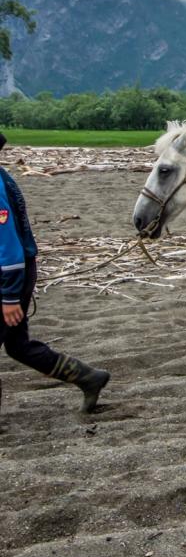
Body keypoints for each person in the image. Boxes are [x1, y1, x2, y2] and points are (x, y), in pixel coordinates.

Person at [0, 132, 110, 413]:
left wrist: (10, 297)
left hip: (11, 277)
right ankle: (87, 377)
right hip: (16, 274)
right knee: (18, 346)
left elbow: (9, 248)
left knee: (17, 344)